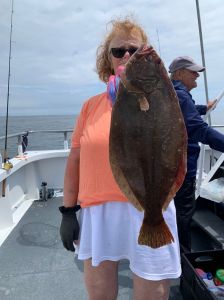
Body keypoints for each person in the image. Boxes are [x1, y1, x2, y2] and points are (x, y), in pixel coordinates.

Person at [59, 17, 181, 300]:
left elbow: (175, 141)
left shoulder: (163, 98)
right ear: (108, 59)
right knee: (99, 295)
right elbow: (74, 161)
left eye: (135, 50)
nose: (127, 55)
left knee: (154, 293)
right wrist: (68, 212)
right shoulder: (90, 107)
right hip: (98, 212)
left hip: (150, 208)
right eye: (119, 51)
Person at [169, 56, 224, 253]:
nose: (196, 76)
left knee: (175, 214)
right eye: (192, 72)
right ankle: (183, 261)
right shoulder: (181, 96)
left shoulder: (173, 94)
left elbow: (187, 110)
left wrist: (205, 108)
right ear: (179, 73)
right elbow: (199, 129)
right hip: (183, 169)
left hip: (170, 167)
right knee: (183, 215)